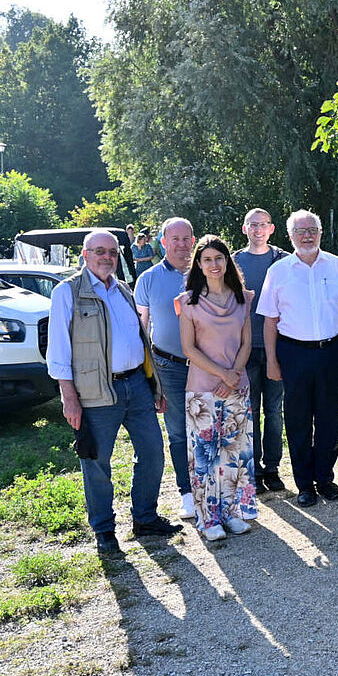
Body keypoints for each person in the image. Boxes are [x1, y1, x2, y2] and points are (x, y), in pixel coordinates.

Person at [47, 230, 181, 554]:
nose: (107, 257)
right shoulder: (67, 293)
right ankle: (104, 531)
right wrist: (69, 398)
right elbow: (58, 351)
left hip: (136, 384)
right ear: (84, 254)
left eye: (112, 251)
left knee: (152, 453)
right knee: (97, 463)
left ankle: (145, 518)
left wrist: (155, 385)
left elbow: (140, 339)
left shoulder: (122, 289)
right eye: (100, 251)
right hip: (95, 392)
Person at [259, 210, 338, 507]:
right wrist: (271, 361)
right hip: (293, 353)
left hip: (333, 352)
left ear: (320, 232)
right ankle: (304, 484)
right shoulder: (278, 271)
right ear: (290, 235)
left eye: (312, 230)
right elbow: (270, 321)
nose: (307, 235)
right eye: (300, 231)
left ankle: (325, 479)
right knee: (298, 420)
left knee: (330, 418)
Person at [177, 236, 257, 541]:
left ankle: (231, 512)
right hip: (203, 391)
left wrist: (233, 374)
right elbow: (189, 348)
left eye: (219, 258)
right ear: (199, 264)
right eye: (207, 259)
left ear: (228, 262)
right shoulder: (188, 301)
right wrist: (223, 375)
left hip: (237, 386)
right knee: (205, 455)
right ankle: (208, 518)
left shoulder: (242, 298)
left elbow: (247, 341)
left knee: (234, 452)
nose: (214, 264)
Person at [135, 217, 197, 520]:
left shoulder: (209, 271)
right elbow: (142, 328)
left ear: (194, 241)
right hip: (168, 366)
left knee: (209, 428)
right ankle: (187, 492)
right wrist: (150, 377)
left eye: (187, 238)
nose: (182, 245)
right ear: (163, 242)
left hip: (206, 367)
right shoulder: (148, 279)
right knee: (178, 432)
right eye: (175, 239)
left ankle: (211, 489)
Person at [234, 208, 289, 494]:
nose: (257, 229)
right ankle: (252, 469)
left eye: (263, 225)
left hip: (277, 348)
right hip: (245, 349)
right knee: (250, 410)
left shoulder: (283, 260)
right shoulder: (233, 262)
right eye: (252, 225)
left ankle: (273, 468)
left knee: (274, 410)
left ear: (271, 229)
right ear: (245, 229)